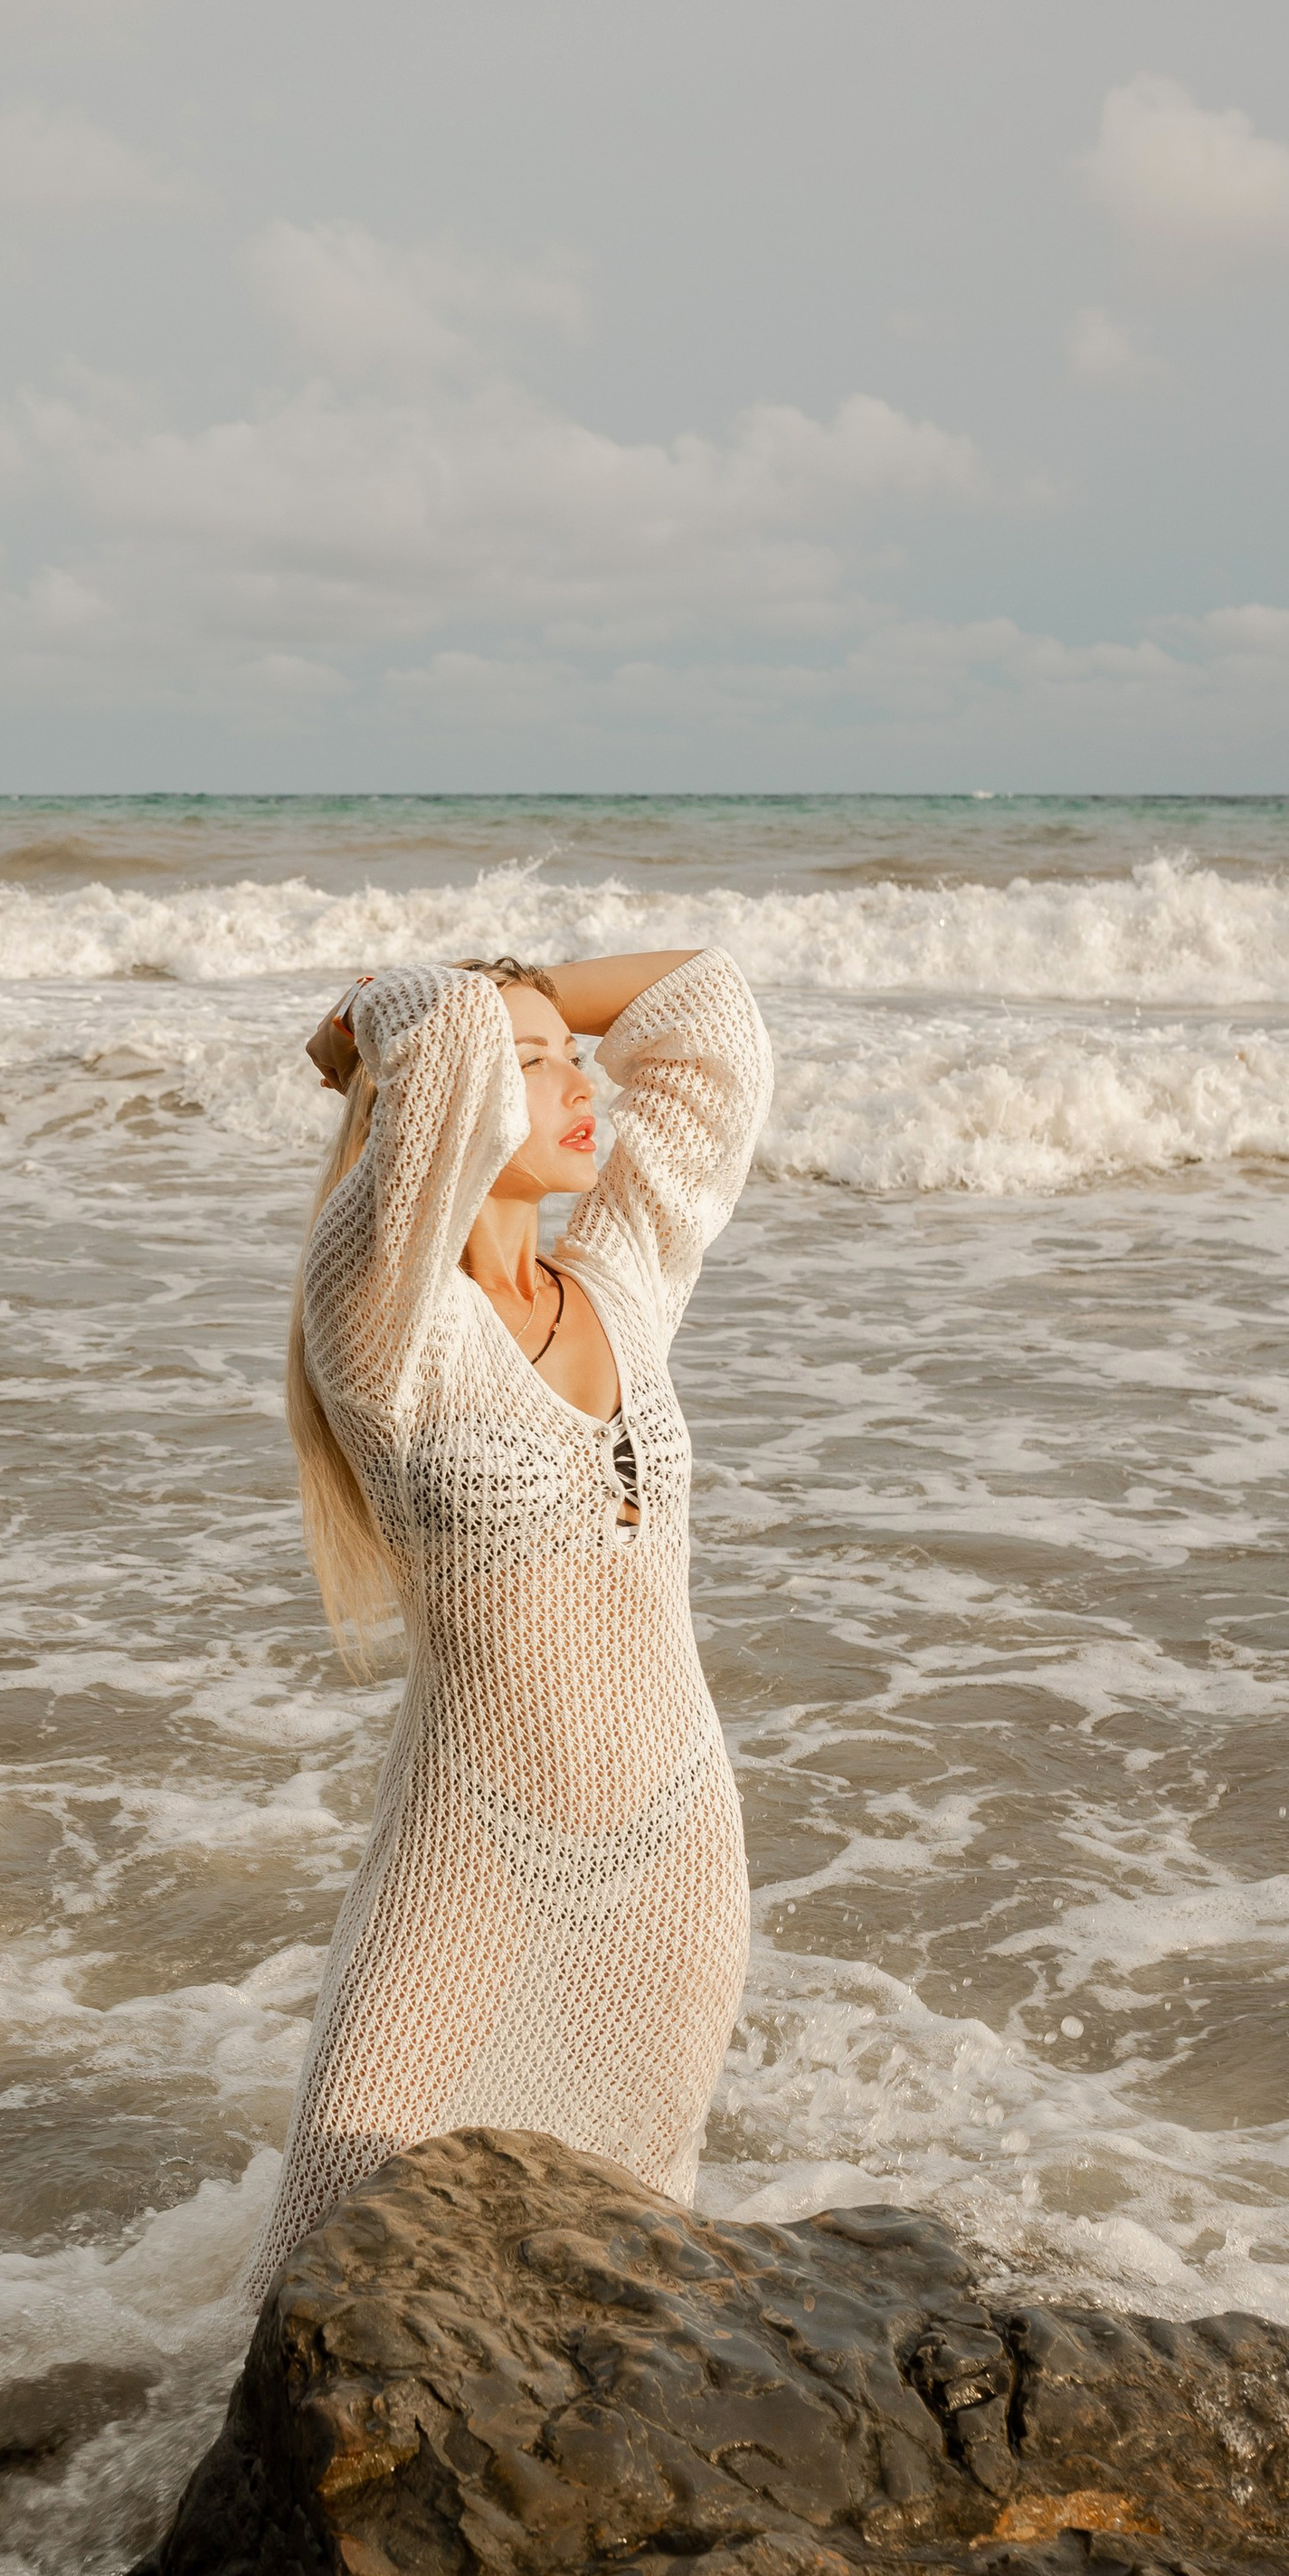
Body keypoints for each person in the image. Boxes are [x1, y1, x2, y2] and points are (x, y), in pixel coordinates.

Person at [248, 944, 775, 2296]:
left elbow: (706, 1010)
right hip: (470, 1858)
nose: (584, 1076)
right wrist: (368, 1019)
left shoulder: (622, 1283)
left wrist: (529, 982)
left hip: (675, 1857)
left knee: (620, 2266)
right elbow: (429, 1053)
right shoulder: (379, 1322)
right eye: (534, 1063)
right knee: (329, 2252)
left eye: (576, 1052)